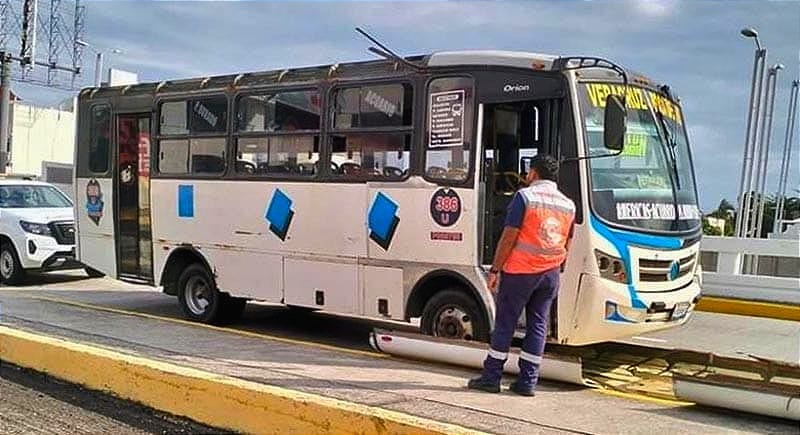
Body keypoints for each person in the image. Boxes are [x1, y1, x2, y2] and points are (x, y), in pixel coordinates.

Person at [468, 154, 575, 396]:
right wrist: (555, 265)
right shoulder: (568, 204)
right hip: (550, 273)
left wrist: (495, 269)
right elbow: (568, 240)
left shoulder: (525, 197)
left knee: (505, 322)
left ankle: (491, 377)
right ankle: (527, 382)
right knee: (538, 324)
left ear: (533, 174)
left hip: (520, 271)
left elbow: (509, 236)